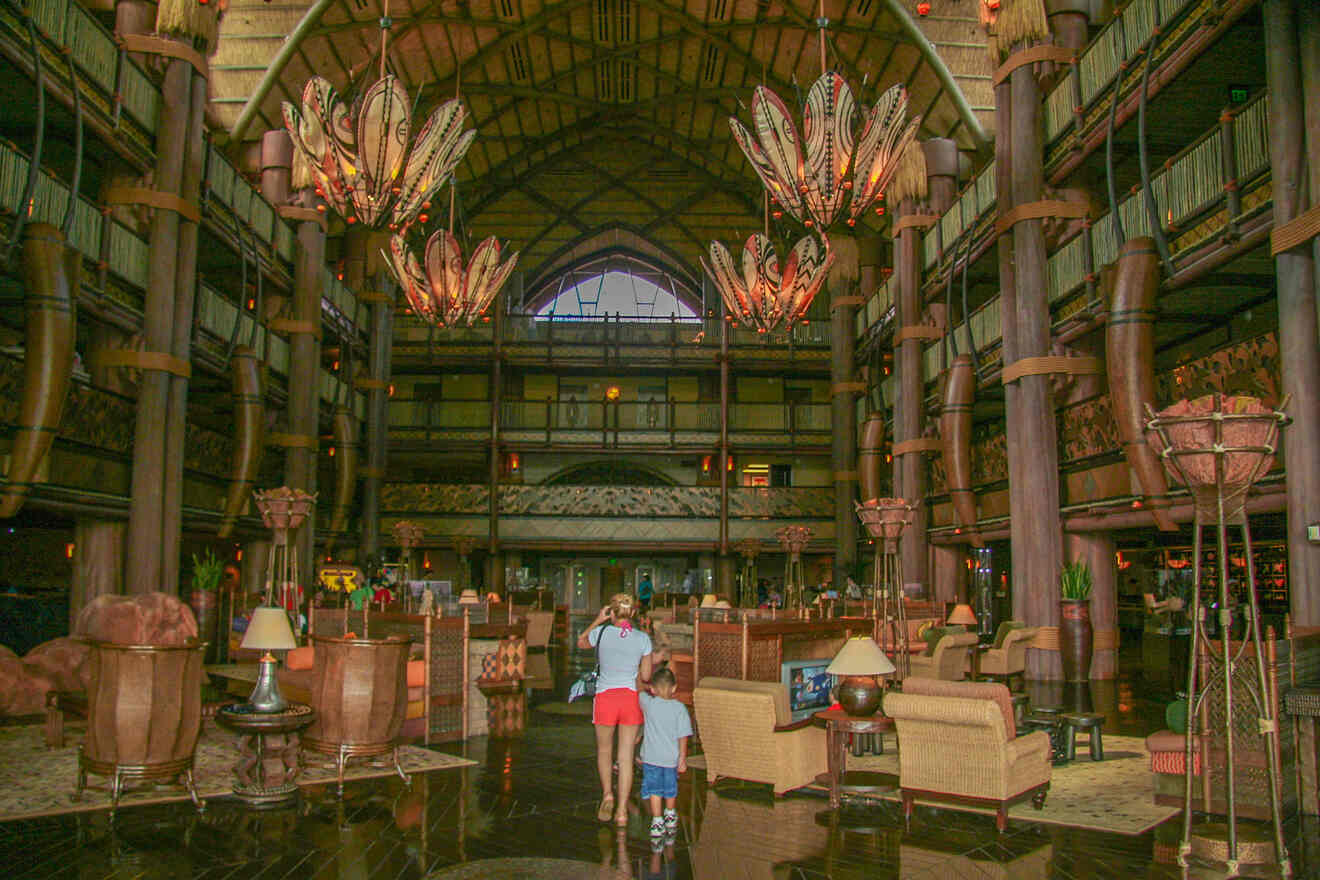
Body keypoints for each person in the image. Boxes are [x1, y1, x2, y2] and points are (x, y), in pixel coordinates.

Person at [578, 593, 654, 826]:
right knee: (626, 757)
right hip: (629, 699)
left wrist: (598, 620)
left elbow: (580, 642)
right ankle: (622, 811)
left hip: (605, 698)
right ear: (632, 613)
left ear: (611, 612)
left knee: (604, 750)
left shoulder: (600, 633)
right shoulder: (642, 639)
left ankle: (607, 795)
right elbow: (646, 676)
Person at [638, 666, 691, 840]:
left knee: (654, 789)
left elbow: (639, 691)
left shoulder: (649, 704)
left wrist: (646, 686)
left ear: (653, 689)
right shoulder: (680, 709)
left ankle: (657, 820)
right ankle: (669, 813)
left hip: (651, 758)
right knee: (670, 788)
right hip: (671, 759)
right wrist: (682, 759)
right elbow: (683, 736)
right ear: (674, 688)